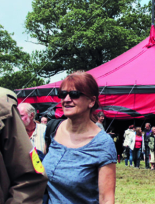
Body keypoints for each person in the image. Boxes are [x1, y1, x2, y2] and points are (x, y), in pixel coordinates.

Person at [43, 72, 117, 203]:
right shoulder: (52, 129)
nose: (66, 99)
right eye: (63, 94)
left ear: (91, 101)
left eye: (74, 95)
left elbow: (106, 199)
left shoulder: (102, 143)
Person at [0, 86, 48, 203]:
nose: (20, 118)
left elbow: (30, 178)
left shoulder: (44, 130)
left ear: (31, 116)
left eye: (22, 115)